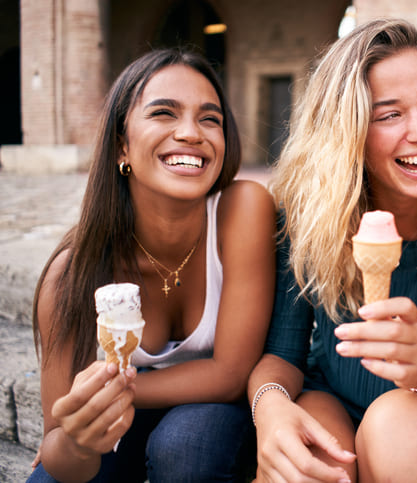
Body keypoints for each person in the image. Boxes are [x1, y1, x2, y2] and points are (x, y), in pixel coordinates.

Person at [247, 18, 417, 483]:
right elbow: (282, 353)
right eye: (389, 115)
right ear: (347, 131)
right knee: (305, 468)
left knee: (398, 428)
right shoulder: (306, 216)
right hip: (331, 398)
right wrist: (269, 406)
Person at [28, 48, 276, 482]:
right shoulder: (69, 278)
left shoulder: (244, 209)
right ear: (121, 144)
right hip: (122, 424)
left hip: (213, 418)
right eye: (164, 113)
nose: (191, 133)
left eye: (210, 118)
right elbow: (58, 444)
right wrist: (79, 437)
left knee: (187, 446)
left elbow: (231, 374)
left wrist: (115, 392)